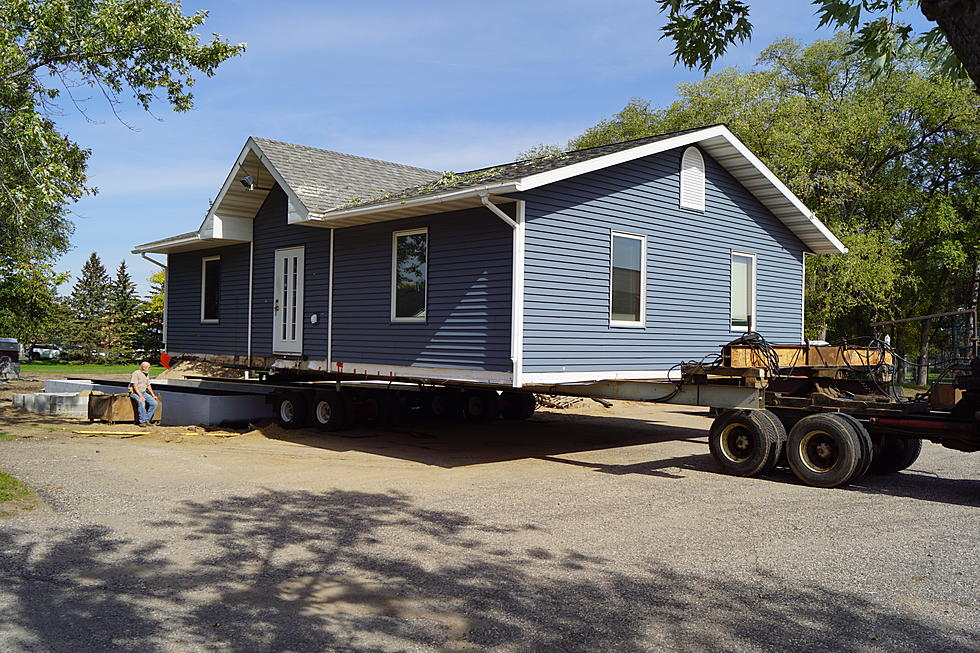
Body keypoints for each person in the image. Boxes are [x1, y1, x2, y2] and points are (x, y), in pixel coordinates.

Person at [128, 361, 159, 427]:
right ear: (144, 368)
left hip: (143, 392)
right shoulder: (136, 373)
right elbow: (134, 386)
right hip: (134, 392)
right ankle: (142, 421)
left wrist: (153, 395)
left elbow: (148, 385)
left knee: (154, 403)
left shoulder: (147, 374)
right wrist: (141, 396)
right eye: (149, 367)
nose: (149, 368)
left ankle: (147, 420)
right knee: (142, 402)